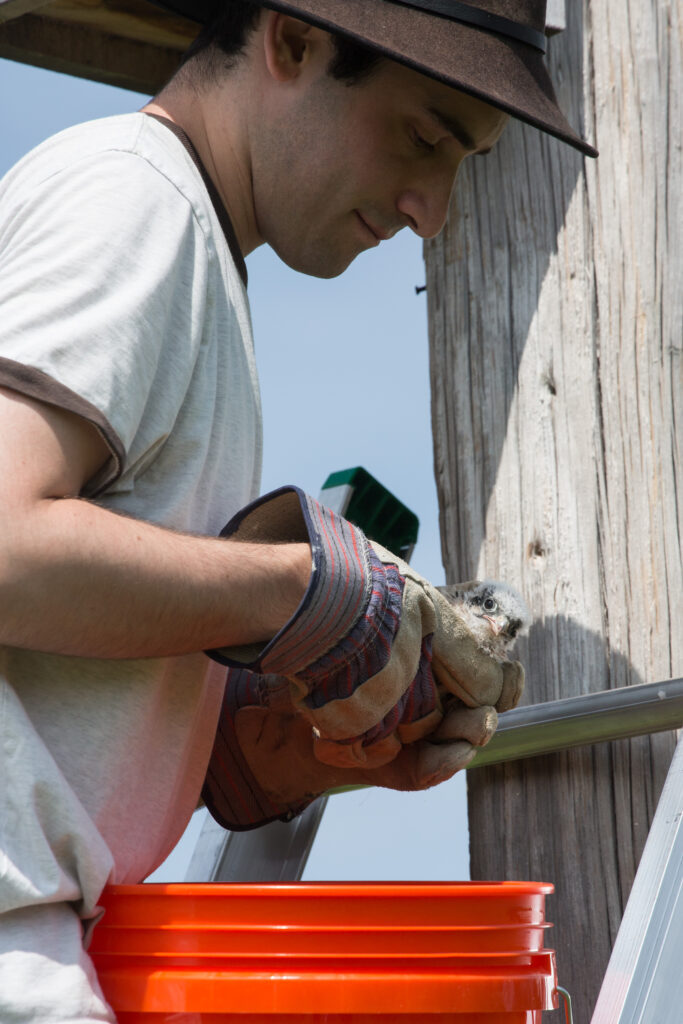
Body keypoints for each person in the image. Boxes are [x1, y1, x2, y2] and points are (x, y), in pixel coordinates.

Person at [0, 1, 595, 1020]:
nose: (432, 209)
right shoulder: (136, 202)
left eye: (465, 162)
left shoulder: (182, 237)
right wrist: (297, 589)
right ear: (288, 41)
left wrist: (272, 738)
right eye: (423, 136)